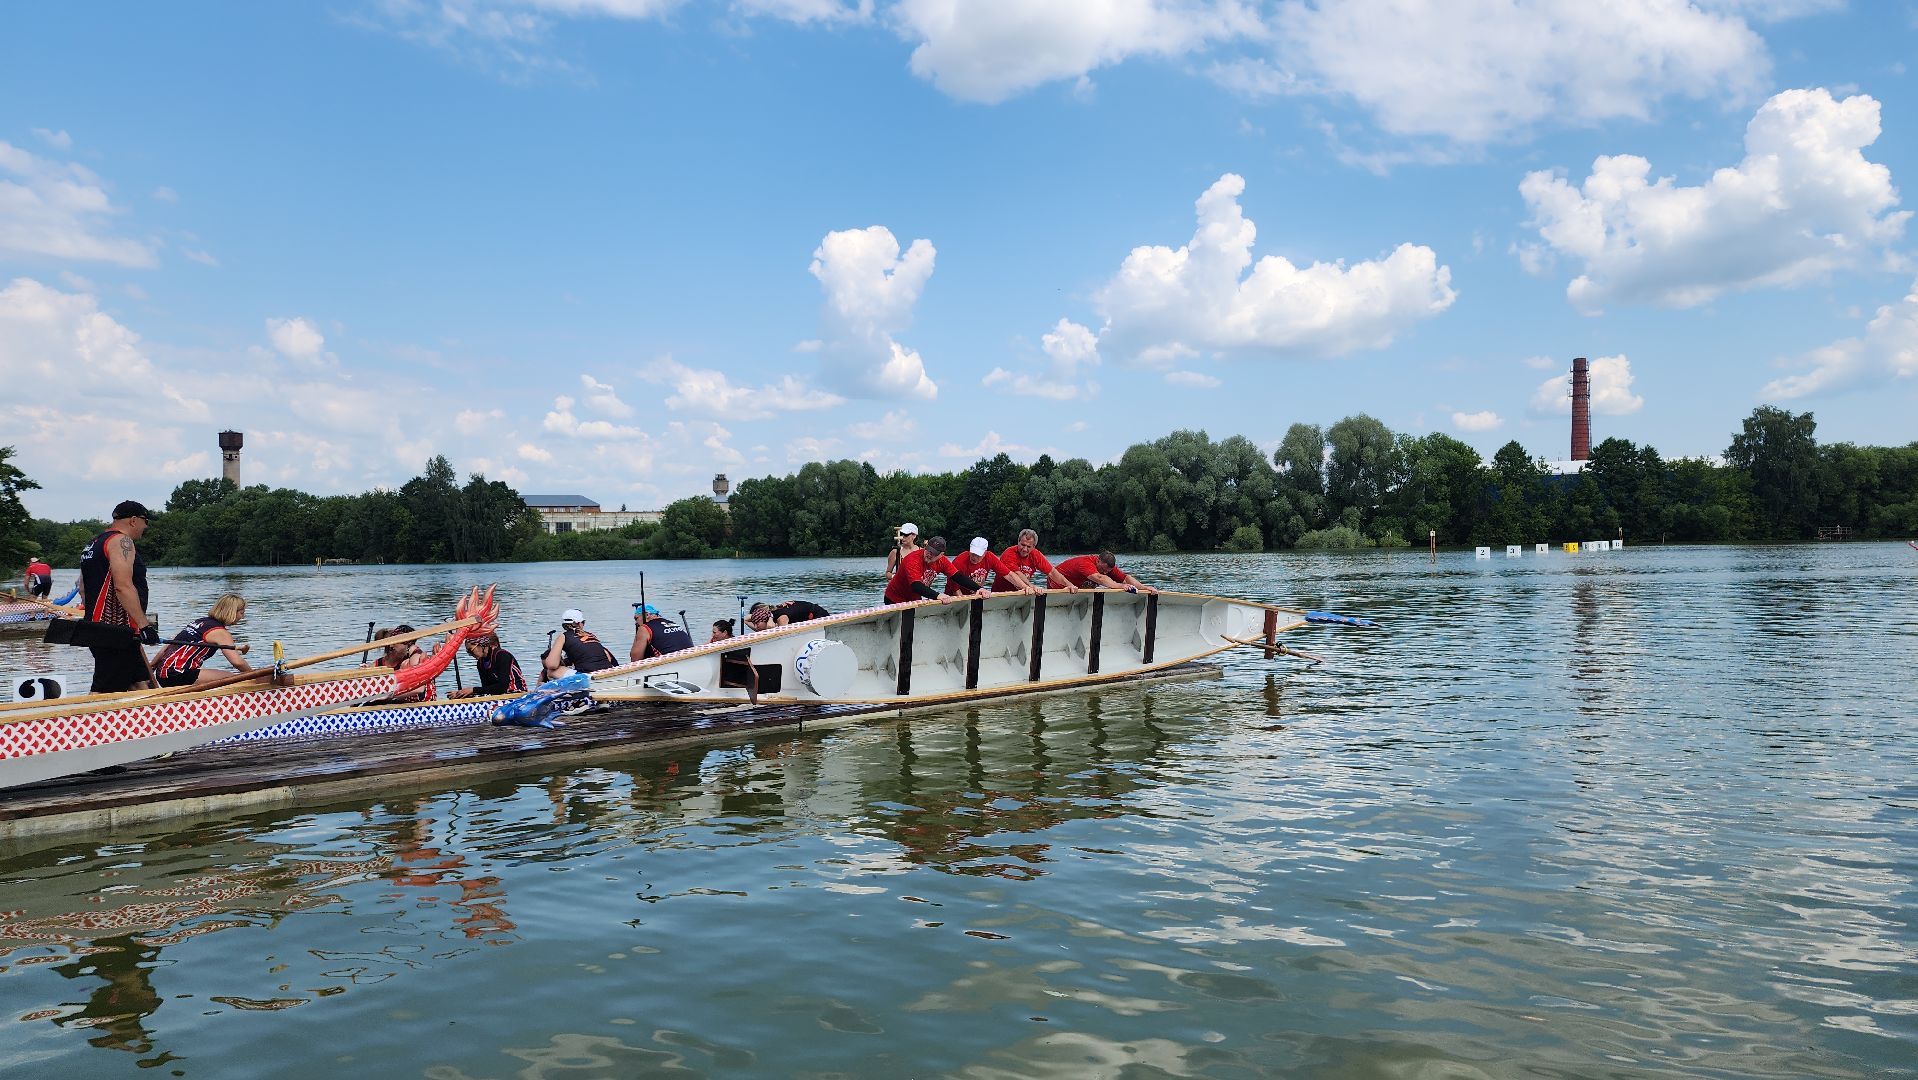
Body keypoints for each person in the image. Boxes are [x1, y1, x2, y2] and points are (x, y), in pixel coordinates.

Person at [79, 500, 157, 693]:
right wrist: (144, 625)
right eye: (145, 521)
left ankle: (154, 712)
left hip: (100, 628)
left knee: (139, 683)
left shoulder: (93, 544)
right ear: (133, 520)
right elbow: (123, 586)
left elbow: (82, 588)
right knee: (104, 690)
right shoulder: (122, 542)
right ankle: (88, 712)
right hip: (115, 631)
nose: (146, 526)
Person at [153, 593, 252, 687]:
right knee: (234, 679)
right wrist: (254, 677)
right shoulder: (220, 632)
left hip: (162, 674)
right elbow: (237, 662)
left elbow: (168, 646)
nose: (242, 617)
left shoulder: (199, 622)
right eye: (241, 613)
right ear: (232, 612)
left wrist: (152, 666)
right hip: (178, 674)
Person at [364, 624, 435, 703]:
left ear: (407, 643)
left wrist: (389, 695)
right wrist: (364, 672)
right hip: (404, 702)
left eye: (395, 643)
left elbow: (419, 689)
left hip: (424, 704)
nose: (391, 646)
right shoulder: (383, 661)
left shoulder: (416, 655)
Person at [542, 609, 618, 680]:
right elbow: (608, 657)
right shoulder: (591, 635)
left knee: (551, 671)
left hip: (587, 675)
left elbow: (552, 665)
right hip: (606, 671)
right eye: (583, 622)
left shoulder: (563, 636)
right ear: (579, 623)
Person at [884, 535, 960, 604]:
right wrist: (938, 595)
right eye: (928, 550)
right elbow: (916, 586)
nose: (929, 554)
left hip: (914, 597)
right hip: (894, 598)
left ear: (941, 554)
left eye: (933, 553)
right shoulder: (912, 559)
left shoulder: (942, 561)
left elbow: (957, 576)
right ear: (926, 547)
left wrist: (969, 587)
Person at [945, 536, 1033, 596]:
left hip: (975, 594)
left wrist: (1025, 587)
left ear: (985, 553)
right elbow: (955, 589)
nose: (974, 557)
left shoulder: (990, 557)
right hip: (954, 596)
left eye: (978, 555)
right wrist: (965, 603)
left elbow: (1009, 575)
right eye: (973, 553)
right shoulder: (959, 562)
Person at [996, 529, 1077, 592]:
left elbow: (1052, 572)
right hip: (1001, 593)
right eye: (1023, 545)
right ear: (1018, 542)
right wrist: (1032, 586)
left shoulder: (1035, 554)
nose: (1024, 549)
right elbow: (1017, 574)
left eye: (1029, 547)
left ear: (1034, 547)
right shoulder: (1009, 554)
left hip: (1023, 592)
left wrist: (1069, 585)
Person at [449, 632, 526, 698]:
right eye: (468, 652)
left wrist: (473, 690)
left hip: (516, 694)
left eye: (471, 650)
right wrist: (464, 693)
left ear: (481, 645)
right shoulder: (480, 663)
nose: (470, 654)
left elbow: (502, 686)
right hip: (499, 696)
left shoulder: (502, 656)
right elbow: (486, 689)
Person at [1054, 550, 1158, 594]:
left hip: (1076, 588)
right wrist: (1121, 586)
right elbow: (1100, 578)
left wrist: (1144, 587)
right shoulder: (1085, 563)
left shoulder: (1107, 568)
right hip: (1057, 584)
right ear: (1098, 560)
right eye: (1102, 570)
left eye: (1107, 571)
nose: (1104, 573)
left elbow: (1126, 578)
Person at [711, 618, 759, 705]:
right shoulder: (714, 641)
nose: (712, 635)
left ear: (724, 633)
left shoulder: (735, 645)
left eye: (714, 633)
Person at [629, 604, 694, 661]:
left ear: (647, 615)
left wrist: (638, 634)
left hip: (670, 664)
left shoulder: (644, 628)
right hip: (691, 659)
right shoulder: (672, 623)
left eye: (636, 618)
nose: (636, 623)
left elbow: (635, 659)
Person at [744, 600, 829, 631]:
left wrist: (770, 628)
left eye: (756, 622)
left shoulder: (781, 617)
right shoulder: (773, 614)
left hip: (820, 615)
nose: (755, 626)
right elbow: (746, 620)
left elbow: (782, 637)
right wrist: (746, 620)